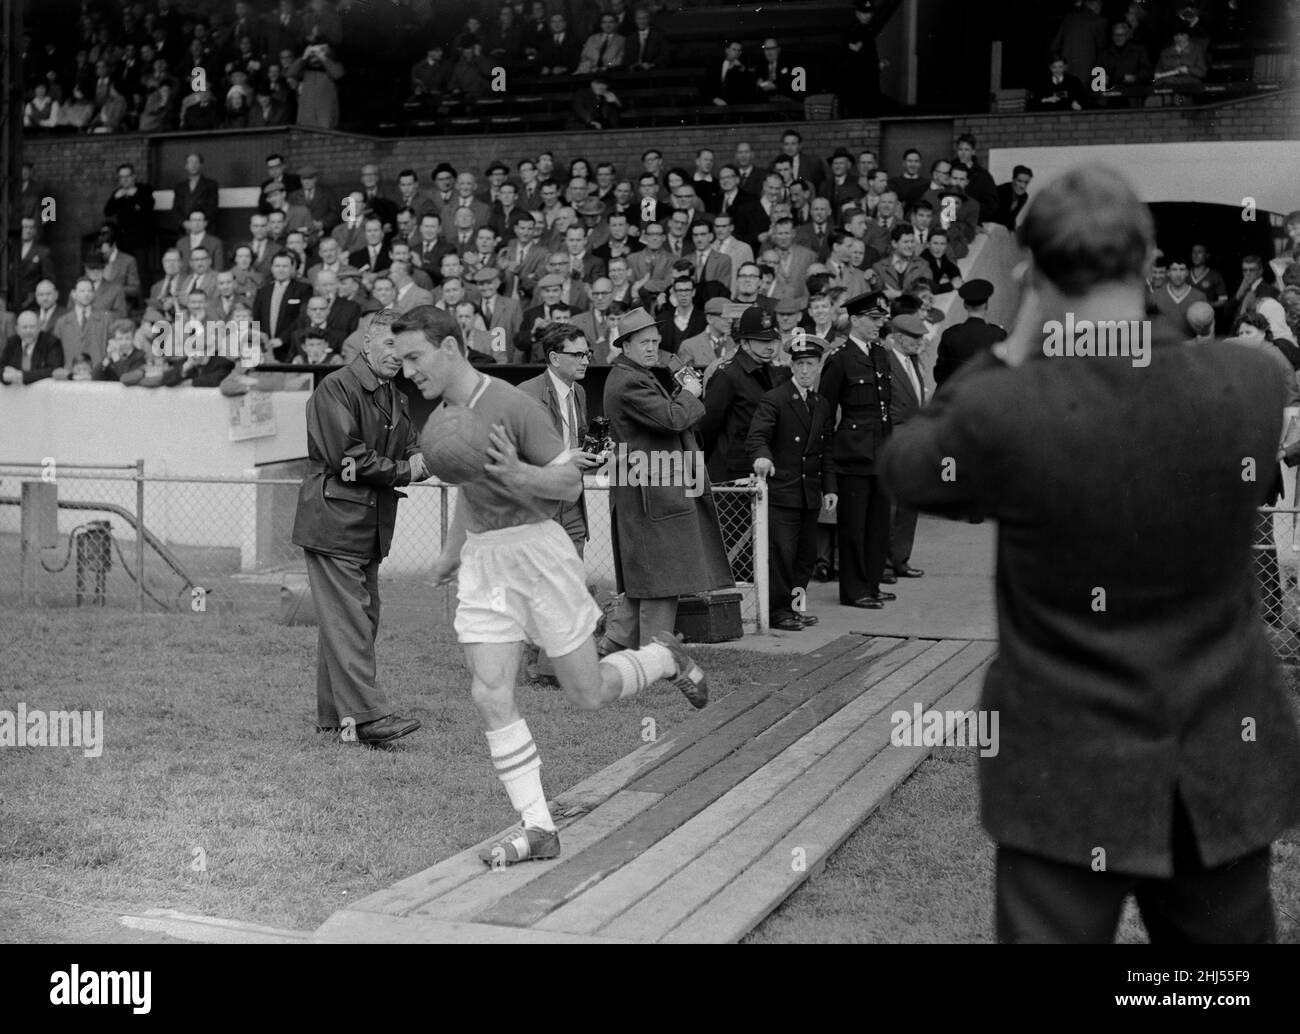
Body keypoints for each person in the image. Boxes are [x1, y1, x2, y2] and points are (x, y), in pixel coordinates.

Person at [879, 163, 1300, 944]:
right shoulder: (1249, 381)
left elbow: (908, 465)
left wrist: (1014, 347)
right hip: (1216, 749)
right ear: (1146, 263)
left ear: (1034, 273)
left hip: (1062, 763)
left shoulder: (1011, 405)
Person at [395, 305, 708, 866]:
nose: (407, 370)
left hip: (538, 552)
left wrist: (520, 475)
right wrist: (451, 551)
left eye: (414, 357)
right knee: (489, 692)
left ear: (448, 348)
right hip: (486, 561)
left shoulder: (513, 403)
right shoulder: (449, 413)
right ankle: (539, 826)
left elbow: (567, 478)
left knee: (587, 694)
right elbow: (472, 487)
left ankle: (663, 657)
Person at [290, 308, 428, 748]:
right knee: (352, 619)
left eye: (404, 349)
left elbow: (413, 448)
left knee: (355, 619)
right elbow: (345, 459)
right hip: (336, 523)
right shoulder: (336, 387)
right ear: (366, 343)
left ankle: (335, 720)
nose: (397, 355)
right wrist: (407, 470)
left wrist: (437, 454)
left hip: (364, 526)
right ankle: (368, 717)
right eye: (390, 344)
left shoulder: (396, 396)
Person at [598, 307, 735, 654]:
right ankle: (653, 658)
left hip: (651, 488)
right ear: (624, 346)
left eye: (655, 341)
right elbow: (673, 419)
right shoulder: (629, 379)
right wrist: (689, 391)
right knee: (662, 579)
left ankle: (612, 647)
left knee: (646, 579)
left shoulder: (633, 374)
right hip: (650, 492)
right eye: (642, 342)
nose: (650, 347)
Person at [747, 334, 837, 630]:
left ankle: (795, 608)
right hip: (783, 490)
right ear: (791, 365)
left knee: (804, 557)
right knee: (781, 555)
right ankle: (777, 611)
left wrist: (830, 487)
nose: (805, 370)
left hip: (809, 492)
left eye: (810, 364)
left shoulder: (821, 403)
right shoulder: (776, 398)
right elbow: (758, 436)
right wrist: (763, 457)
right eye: (799, 364)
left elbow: (826, 449)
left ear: (819, 365)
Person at [819, 291, 894, 609]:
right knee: (853, 526)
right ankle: (854, 589)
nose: (879, 325)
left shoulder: (880, 355)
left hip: (881, 451)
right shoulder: (840, 359)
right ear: (856, 320)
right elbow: (825, 411)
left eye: (881, 319)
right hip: (852, 454)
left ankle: (872, 583)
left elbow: (884, 407)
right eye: (874, 319)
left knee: (878, 524)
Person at [701, 305, 793, 482]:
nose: (770, 347)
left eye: (773, 341)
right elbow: (707, 427)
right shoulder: (727, 375)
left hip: (764, 467)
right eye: (763, 341)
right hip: (733, 473)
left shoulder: (772, 371)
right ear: (744, 342)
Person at [882, 314, 929, 582]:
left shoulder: (914, 363)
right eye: (915, 337)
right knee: (891, 506)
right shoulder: (886, 363)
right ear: (899, 337)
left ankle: (900, 559)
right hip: (895, 440)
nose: (920, 342)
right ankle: (886, 564)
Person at [933, 279, 1005, 387]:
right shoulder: (998, 334)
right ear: (986, 305)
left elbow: (939, 375)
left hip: (958, 397)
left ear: (965, 305)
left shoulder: (950, 334)